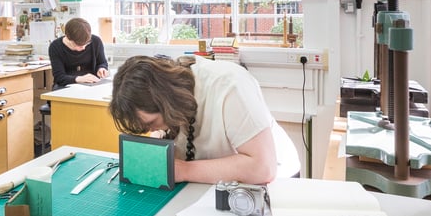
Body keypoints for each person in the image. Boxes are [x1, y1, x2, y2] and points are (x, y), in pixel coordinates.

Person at [109, 55, 299, 185]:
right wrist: (164, 140)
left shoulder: (229, 85)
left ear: (166, 103)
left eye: (151, 123)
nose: (151, 129)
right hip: (219, 181)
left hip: (276, 181)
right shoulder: (174, 95)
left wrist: (183, 170)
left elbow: (262, 168)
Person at [48, 17, 109, 89]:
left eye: (87, 44)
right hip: (65, 86)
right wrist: (79, 79)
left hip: (91, 84)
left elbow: (102, 62)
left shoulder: (96, 41)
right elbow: (59, 77)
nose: (83, 48)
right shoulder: (55, 46)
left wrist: (102, 68)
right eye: (78, 45)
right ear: (67, 37)